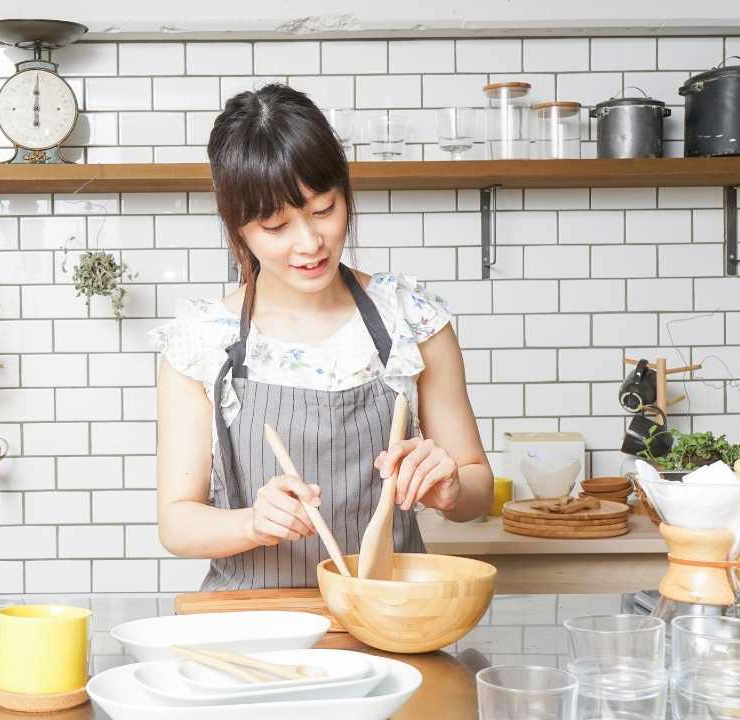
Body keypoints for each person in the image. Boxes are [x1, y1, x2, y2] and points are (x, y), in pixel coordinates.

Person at [150, 84, 493, 591]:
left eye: (323, 210)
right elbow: (177, 523)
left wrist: (449, 489)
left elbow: (478, 491)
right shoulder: (203, 341)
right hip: (253, 626)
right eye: (275, 225)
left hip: (390, 620)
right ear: (238, 228)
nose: (309, 243)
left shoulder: (412, 321)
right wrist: (251, 523)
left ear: (346, 195)